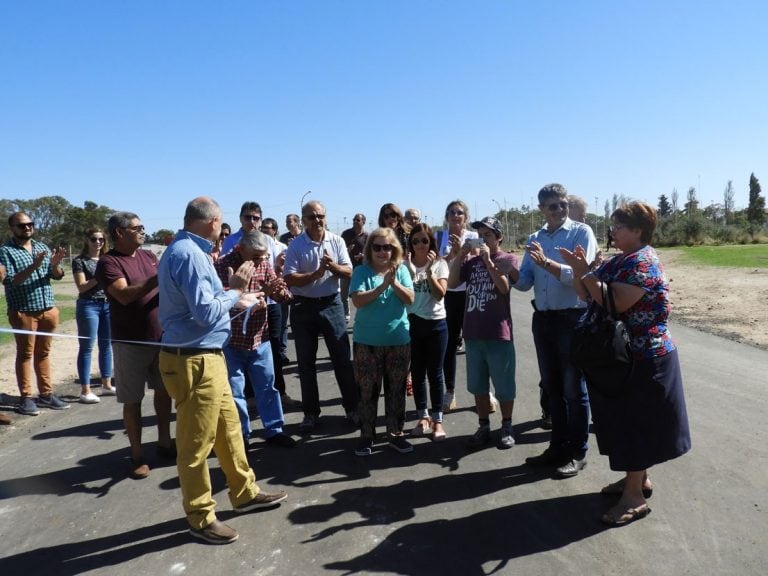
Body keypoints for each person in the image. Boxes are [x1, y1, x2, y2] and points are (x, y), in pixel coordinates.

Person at [158, 197, 288, 545]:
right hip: (193, 359)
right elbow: (204, 312)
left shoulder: (188, 251)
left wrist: (234, 297)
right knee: (195, 444)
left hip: (208, 355)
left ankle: (244, 492)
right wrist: (236, 293)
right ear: (214, 222)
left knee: (229, 430)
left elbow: (206, 308)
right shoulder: (189, 254)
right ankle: (200, 517)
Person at [559, 200, 691, 525]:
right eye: (614, 225)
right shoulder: (622, 260)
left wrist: (588, 274)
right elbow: (586, 294)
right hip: (621, 358)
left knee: (636, 423)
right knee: (626, 421)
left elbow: (614, 302)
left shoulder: (644, 262)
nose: (613, 231)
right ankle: (638, 479)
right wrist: (581, 272)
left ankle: (633, 497)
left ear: (638, 231)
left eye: (619, 226)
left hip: (645, 358)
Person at [509, 183, 598, 478]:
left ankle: (578, 451)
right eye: (553, 206)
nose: (560, 210)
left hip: (572, 319)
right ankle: (557, 447)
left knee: (574, 389)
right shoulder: (535, 238)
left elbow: (582, 276)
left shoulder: (580, 232)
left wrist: (547, 262)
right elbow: (524, 282)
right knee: (553, 387)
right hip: (544, 320)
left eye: (562, 204)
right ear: (542, 209)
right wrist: (507, 272)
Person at [95, 212, 175, 480]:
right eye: (137, 228)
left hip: (160, 337)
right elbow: (123, 295)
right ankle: (138, 454)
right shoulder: (108, 262)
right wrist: (158, 278)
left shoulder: (148, 256)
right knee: (133, 400)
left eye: (143, 226)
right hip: (129, 342)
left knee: (164, 393)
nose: (143, 231)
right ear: (119, 232)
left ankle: (165, 442)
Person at [283, 200, 360, 433]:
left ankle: (352, 408)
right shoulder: (296, 245)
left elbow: (349, 270)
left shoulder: (336, 241)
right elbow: (290, 278)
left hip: (331, 304)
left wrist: (333, 267)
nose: (317, 220)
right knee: (306, 363)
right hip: (303, 307)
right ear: (303, 219)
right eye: (311, 216)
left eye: (320, 216)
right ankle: (310, 413)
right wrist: (316, 273)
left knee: (342, 360)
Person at [215, 230, 295, 447]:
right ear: (240, 249)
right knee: (235, 392)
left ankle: (274, 430)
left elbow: (284, 295)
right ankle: (241, 436)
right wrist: (243, 296)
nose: (260, 261)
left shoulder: (263, 264)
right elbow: (215, 300)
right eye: (256, 256)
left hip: (260, 338)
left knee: (268, 387)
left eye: (264, 256)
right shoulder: (222, 265)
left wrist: (277, 292)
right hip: (231, 341)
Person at [448, 217, 519, 450]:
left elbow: (504, 287)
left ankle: (507, 426)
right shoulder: (472, 262)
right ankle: (483, 426)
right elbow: (452, 282)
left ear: (499, 237)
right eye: (480, 235)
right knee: (478, 385)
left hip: (498, 333)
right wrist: (460, 255)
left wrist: (489, 260)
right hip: (473, 332)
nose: (483, 239)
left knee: (504, 385)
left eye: (488, 235)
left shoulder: (507, 259)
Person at [350, 227, 415, 455]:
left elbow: (410, 299)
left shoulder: (403, 270)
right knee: (367, 391)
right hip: (366, 343)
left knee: (396, 390)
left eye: (387, 247)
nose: (382, 251)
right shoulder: (361, 271)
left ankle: (395, 434)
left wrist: (394, 282)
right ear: (370, 249)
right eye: (376, 247)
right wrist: (382, 286)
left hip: (398, 341)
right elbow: (358, 301)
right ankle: (367, 435)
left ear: (394, 249)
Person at [1, 212, 67, 416]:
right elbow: (11, 280)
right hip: (24, 312)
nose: (27, 228)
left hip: (48, 309)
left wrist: (55, 265)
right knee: (25, 354)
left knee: (43, 353)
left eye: (30, 224)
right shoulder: (5, 251)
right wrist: (34, 265)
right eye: (22, 225)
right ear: (12, 228)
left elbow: (55, 276)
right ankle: (26, 397)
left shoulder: (42, 247)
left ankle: (46, 394)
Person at [435, 200, 481, 413]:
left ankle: (483, 391)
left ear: (466, 217)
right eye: (452, 212)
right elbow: (435, 264)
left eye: (460, 212)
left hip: (471, 294)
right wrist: (453, 253)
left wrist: (465, 252)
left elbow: (480, 260)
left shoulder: (473, 237)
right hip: (448, 295)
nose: (455, 215)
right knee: (450, 345)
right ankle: (450, 391)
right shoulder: (439, 237)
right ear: (447, 216)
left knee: (476, 343)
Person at [404, 223, 449, 441]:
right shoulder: (404, 266)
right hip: (413, 324)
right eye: (415, 241)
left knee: (435, 373)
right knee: (418, 374)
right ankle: (422, 417)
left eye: (424, 240)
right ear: (410, 244)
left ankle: (437, 421)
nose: (420, 245)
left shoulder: (440, 264)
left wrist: (430, 272)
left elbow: (440, 295)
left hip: (436, 324)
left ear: (431, 242)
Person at [72, 227, 115, 403]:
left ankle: (106, 384)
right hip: (89, 305)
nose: (98, 242)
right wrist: (100, 276)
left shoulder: (108, 259)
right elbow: (81, 287)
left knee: (106, 346)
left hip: (108, 305)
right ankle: (85, 390)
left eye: (101, 239)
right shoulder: (79, 261)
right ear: (87, 241)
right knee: (87, 347)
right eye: (94, 239)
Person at [340, 213, 368, 319]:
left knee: (360, 294)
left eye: (358, 220)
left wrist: (363, 255)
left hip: (361, 269)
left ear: (363, 222)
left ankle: (361, 315)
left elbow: (371, 252)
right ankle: (346, 314)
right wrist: (347, 251)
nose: (355, 222)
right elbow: (340, 250)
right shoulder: (346, 234)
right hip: (346, 268)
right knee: (344, 294)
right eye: (354, 220)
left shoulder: (367, 236)